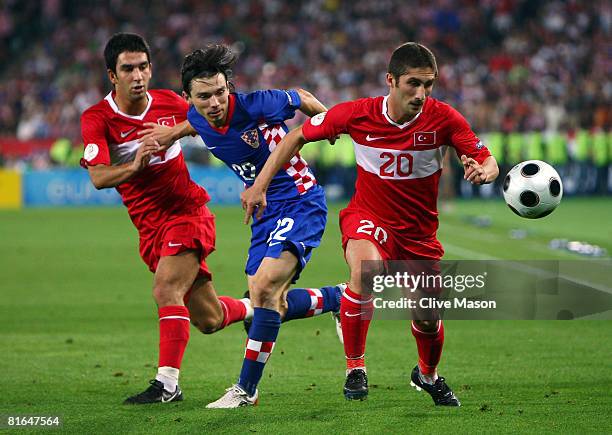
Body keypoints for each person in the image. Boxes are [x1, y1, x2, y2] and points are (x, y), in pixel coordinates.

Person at [241, 42, 500, 405]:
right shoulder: (358, 114)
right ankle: (355, 367)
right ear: (390, 80)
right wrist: (260, 184)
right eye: (413, 84)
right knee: (366, 271)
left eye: (429, 85)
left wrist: (483, 172)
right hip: (369, 217)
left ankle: (427, 375)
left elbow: (486, 159)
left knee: (427, 317)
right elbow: (297, 134)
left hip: (419, 234)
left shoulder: (445, 119)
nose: (421, 94)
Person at [139, 44, 343, 408]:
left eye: (220, 92)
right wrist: (171, 134)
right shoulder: (197, 116)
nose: (215, 102)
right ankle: (339, 298)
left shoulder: (256, 104)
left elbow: (304, 97)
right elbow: (194, 122)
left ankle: (245, 389)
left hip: (299, 199)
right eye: (204, 96)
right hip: (265, 214)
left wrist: (328, 125)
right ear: (189, 97)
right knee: (269, 305)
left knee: (263, 291)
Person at [80, 33, 254, 405]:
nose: (138, 75)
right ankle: (258, 305)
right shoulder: (99, 119)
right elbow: (98, 177)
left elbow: (210, 120)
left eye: (143, 66)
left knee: (165, 291)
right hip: (150, 229)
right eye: (128, 69)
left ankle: (167, 385)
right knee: (209, 319)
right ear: (113, 75)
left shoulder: (170, 102)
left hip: (187, 213)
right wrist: (134, 164)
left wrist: (180, 130)